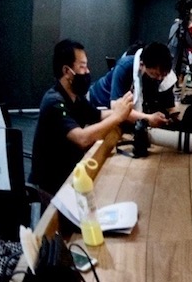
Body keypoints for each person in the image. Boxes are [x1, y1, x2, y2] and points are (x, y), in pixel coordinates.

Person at [29, 39, 133, 194]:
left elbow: (98, 115)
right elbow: (82, 139)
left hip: (71, 176)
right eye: (82, 67)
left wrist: (123, 110)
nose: (87, 71)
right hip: (50, 188)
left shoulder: (75, 97)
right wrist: (117, 117)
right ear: (66, 71)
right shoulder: (54, 102)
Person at [87, 42, 175, 128]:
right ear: (141, 65)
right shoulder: (124, 67)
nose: (159, 78)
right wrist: (148, 118)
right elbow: (117, 109)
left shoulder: (157, 75)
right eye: (155, 74)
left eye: (163, 75)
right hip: (98, 102)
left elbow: (170, 107)